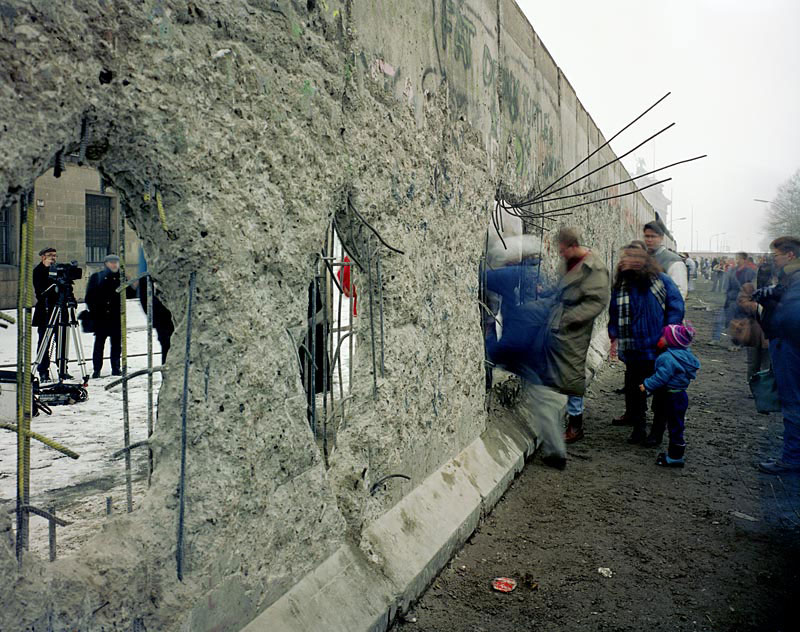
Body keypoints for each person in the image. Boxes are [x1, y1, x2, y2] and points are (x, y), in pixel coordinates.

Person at [608, 245, 685, 444]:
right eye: (624, 258)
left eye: (630, 257)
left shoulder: (662, 281)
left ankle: (657, 432)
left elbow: (676, 308)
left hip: (658, 347)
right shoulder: (621, 286)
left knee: (660, 390)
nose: (625, 261)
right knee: (636, 389)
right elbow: (614, 313)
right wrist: (613, 336)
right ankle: (639, 428)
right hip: (633, 347)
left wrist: (667, 334)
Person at [545, 228, 610, 444]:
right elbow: (561, 287)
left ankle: (575, 425)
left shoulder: (594, 267)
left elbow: (597, 301)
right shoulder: (568, 262)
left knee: (572, 373)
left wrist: (571, 318)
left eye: (563, 250)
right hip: (559, 321)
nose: (561, 255)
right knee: (556, 370)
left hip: (576, 327)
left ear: (573, 246)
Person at [755, 236, 800, 474]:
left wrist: (771, 312)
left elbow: (792, 316)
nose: (774, 259)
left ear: (790, 255)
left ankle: (792, 458)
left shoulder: (796, 278)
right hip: (788, 345)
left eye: (776, 255)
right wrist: (772, 293)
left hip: (789, 347)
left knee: (792, 402)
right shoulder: (790, 277)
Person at [640, 324, 700, 467]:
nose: (661, 338)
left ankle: (675, 457)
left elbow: (661, 376)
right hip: (681, 395)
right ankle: (675, 454)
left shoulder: (668, 358)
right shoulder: (684, 355)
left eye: (664, 336)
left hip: (671, 397)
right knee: (677, 424)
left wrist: (646, 385)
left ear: (672, 341)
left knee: (675, 426)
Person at [85, 254, 123, 378]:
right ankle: (97, 369)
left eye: (116, 262)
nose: (114, 265)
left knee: (116, 345)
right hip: (101, 317)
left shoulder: (121, 278)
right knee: (99, 344)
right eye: (111, 262)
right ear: (106, 264)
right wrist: (95, 310)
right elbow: (89, 297)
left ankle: (116, 368)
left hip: (116, 317)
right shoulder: (97, 277)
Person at [32, 247, 58, 382]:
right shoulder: (38, 271)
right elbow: (41, 291)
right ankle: (43, 371)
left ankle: (62, 368)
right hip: (45, 310)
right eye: (50, 255)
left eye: (54, 255)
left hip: (59, 309)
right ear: (43, 257)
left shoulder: (57, 269)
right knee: (44, 342)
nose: (53, 257)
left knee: (61, 341)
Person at [643, 221, 688, 299]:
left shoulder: (673, 260)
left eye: (653, 236)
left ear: (661, 238)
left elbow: (679, 292)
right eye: (647, 236)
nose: (649, 240)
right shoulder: (642, 257)